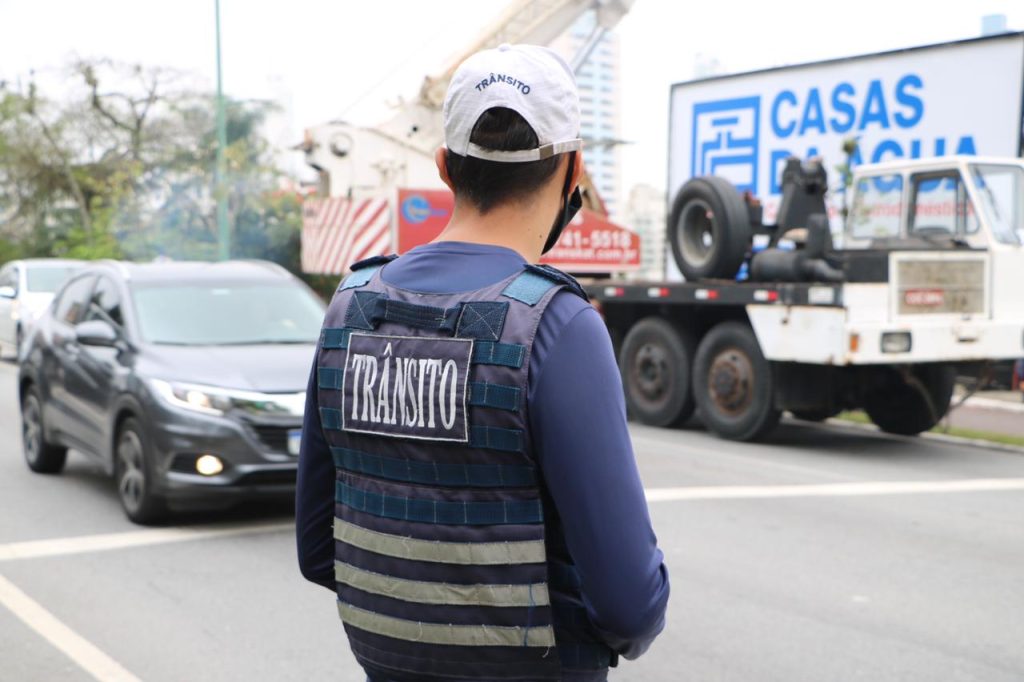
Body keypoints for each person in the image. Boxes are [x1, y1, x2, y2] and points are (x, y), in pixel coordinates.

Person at [296, 43, 669, 681]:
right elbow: (631, 605)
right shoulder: (559, 326)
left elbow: (318, 551)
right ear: (574, 169)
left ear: (444, 166)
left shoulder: (350, 308)